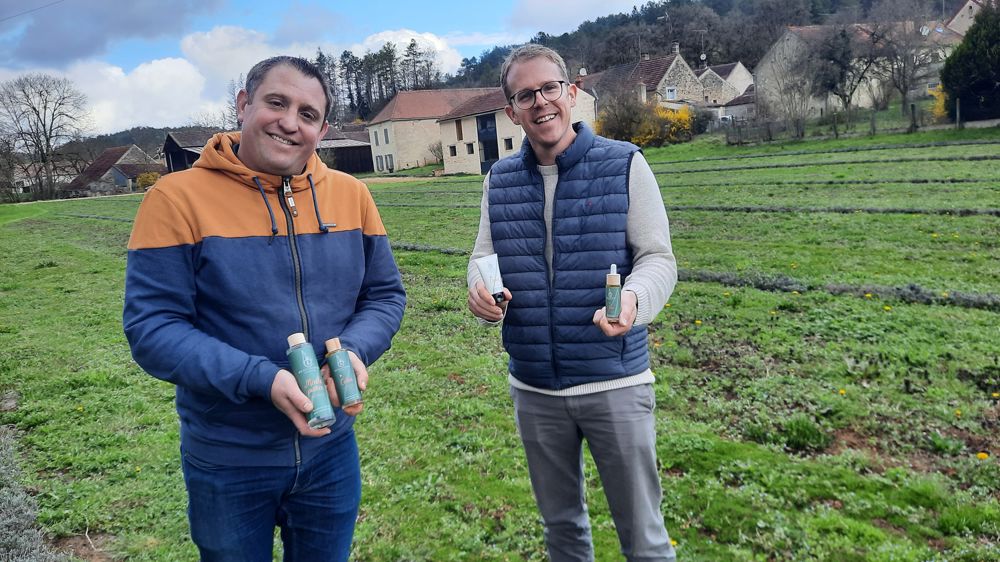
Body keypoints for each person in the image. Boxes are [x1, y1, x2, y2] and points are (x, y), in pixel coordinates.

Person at [123, 56, 405, 561]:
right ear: (243, 104)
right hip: (229, 457)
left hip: (332, 449)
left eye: (308, 113)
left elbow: (384, 296)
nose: (290, 122)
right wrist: (263, 380)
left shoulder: (352, 195)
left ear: (321, 127)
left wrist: (357, 350)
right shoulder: (175, 199)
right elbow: (153, 329)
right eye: (277, 102)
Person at [467, 44, 678, 562]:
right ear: (512, 110)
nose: (540, 102)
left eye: (548, 88)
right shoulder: (498, 181)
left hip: (615, 382)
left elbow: (658, 259)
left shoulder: (625, 163)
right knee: (562, 532)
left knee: (644, 537)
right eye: (524, 95)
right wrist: (478, 289)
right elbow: (483, 255)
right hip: (535, 387)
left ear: (571, 92)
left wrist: (633, 299)